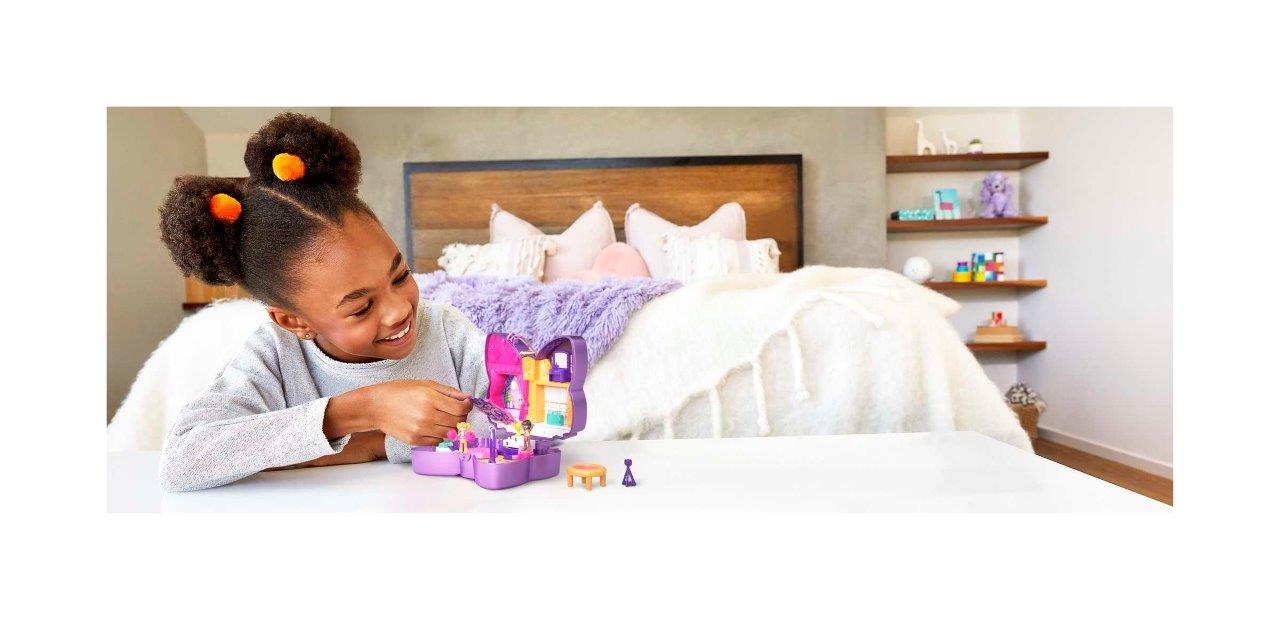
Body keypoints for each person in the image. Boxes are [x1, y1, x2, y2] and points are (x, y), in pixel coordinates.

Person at [156, 113, 490, 492]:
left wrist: (375, 445)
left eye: (399, 276)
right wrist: (362, 408)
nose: (400, 310)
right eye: (361, 308)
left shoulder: (447, 330)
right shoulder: (276, 356)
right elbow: (182, 461)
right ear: (295, 322)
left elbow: (522, 419)